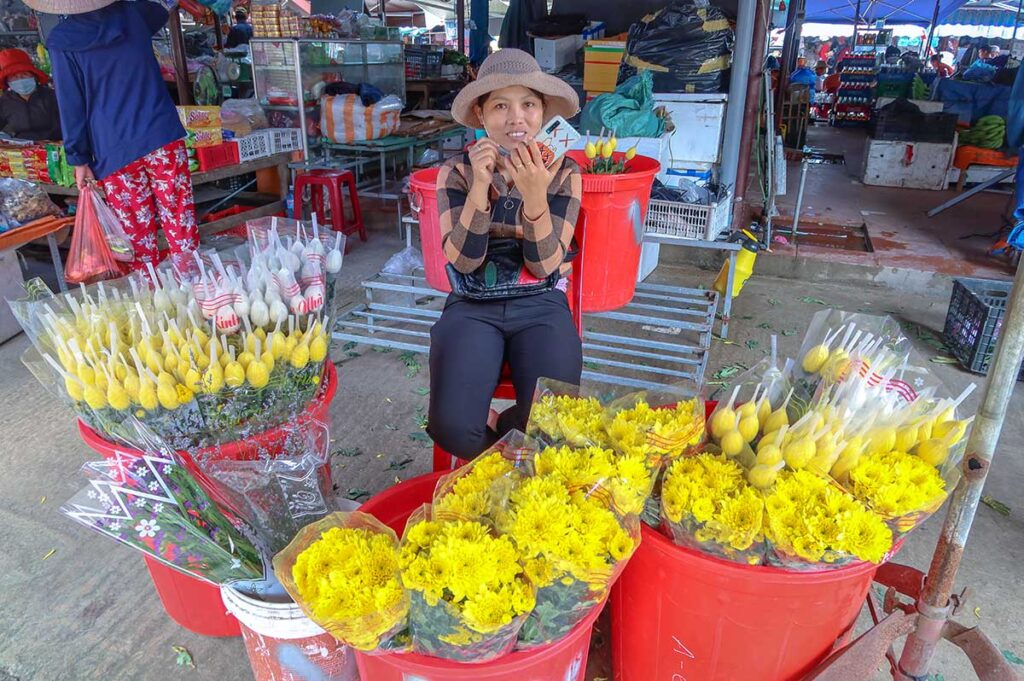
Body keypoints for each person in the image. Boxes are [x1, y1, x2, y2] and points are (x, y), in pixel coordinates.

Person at [428, 48, 583, 460]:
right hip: (472, 303)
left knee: (557, 426)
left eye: (528, 104)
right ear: (480, 115)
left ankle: (514, 433)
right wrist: (479, 188)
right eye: (500, 105)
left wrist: (535, 196)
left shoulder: (565, 171)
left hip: (541, 302)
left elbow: (545, 264)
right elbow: (462, 262)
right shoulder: (457, 171)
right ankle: (506, 454)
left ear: (544, 111)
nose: (517, 118)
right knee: (451, 430)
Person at [27, 0, 198, 271]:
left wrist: (78, 159)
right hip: (161, 137)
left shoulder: (61, 41)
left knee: (137, 239)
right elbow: (164, 6)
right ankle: (195, 290)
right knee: (180, 224)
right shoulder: (134, 14)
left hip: (114, 149)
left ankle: (152, 301)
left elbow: (71, 106)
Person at [0, 48, 60, 140]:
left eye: (24, 74)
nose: (20, 79)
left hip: (55, 148)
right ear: (7, 81)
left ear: (34, 76)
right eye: (14, 76)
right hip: (20, 150)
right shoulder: (4, 102)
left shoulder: (53, 97)